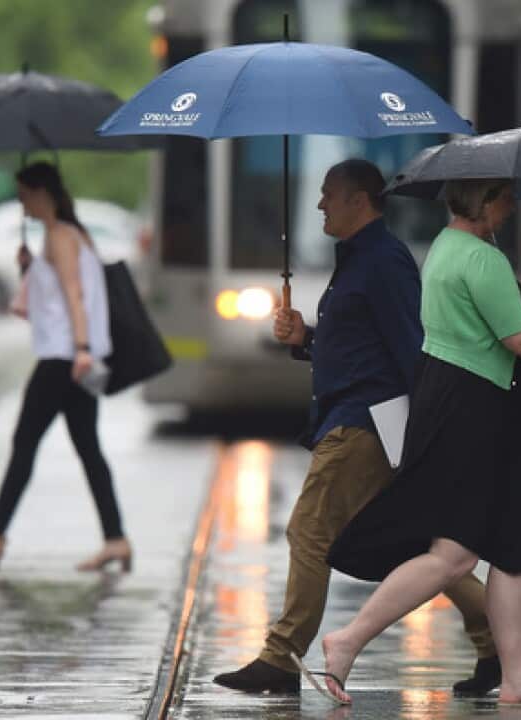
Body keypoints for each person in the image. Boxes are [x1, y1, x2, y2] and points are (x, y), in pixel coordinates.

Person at [314, 178, 521, 707]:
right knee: (454, 555)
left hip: (471, 406)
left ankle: (517, 677)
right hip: (475, 410)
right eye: (504, 197)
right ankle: (347, 639)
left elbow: (485, 324)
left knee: (511, 552)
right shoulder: (482, 260)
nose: (511, 207)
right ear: (483, 201)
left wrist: (519, 296)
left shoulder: (449, 247)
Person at [212, 160, 501, 697]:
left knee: (309, 530)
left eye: (328, 195)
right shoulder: (359, 261)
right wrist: (306, 338)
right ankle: (500, 647)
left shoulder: (384, 263)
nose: (320, 204)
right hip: (363, 420)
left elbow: (413, 347)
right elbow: (360, 343)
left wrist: (428, 435)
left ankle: (281, 656)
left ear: (359, 200)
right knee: (421, 547)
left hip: (364, 425)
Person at [0, 162, 127, 571]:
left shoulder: (60, 237)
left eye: (25, 194)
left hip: (64, 360)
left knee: (24, 444)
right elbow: (55, 302)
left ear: (42, 193)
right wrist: (31, 267)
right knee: (88, 450)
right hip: (74, 358)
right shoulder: (70, 235)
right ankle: (116, 539)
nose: (21, 202)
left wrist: (80, 348)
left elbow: (75, 297)